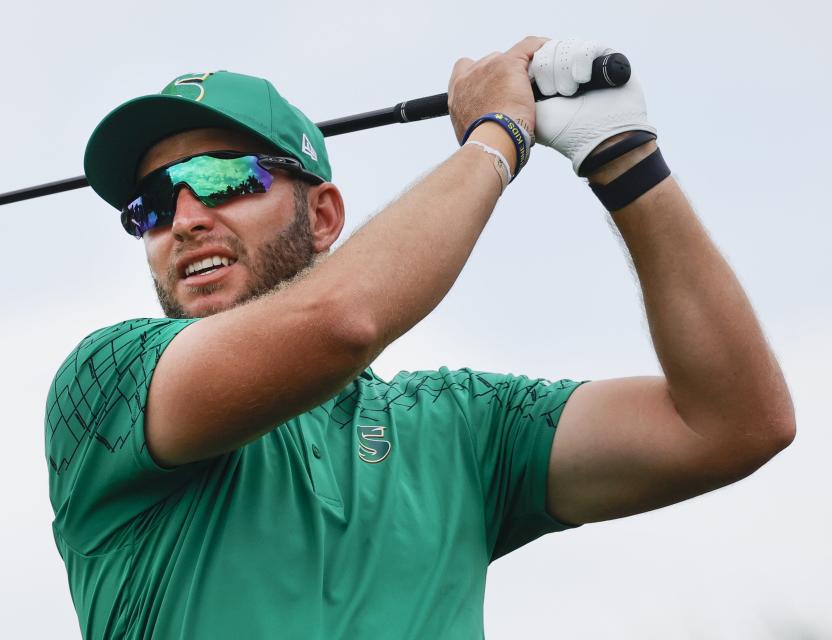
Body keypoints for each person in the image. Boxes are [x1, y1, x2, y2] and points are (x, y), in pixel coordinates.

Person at [45, 37, 795, 639]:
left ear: (326, 217)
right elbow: (342, 323)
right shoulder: (107, 386)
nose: (183, 219)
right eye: (149, 205)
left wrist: (624, 159)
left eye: (221, 178)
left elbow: (732, 423)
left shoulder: (460, 426)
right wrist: (496, 139)